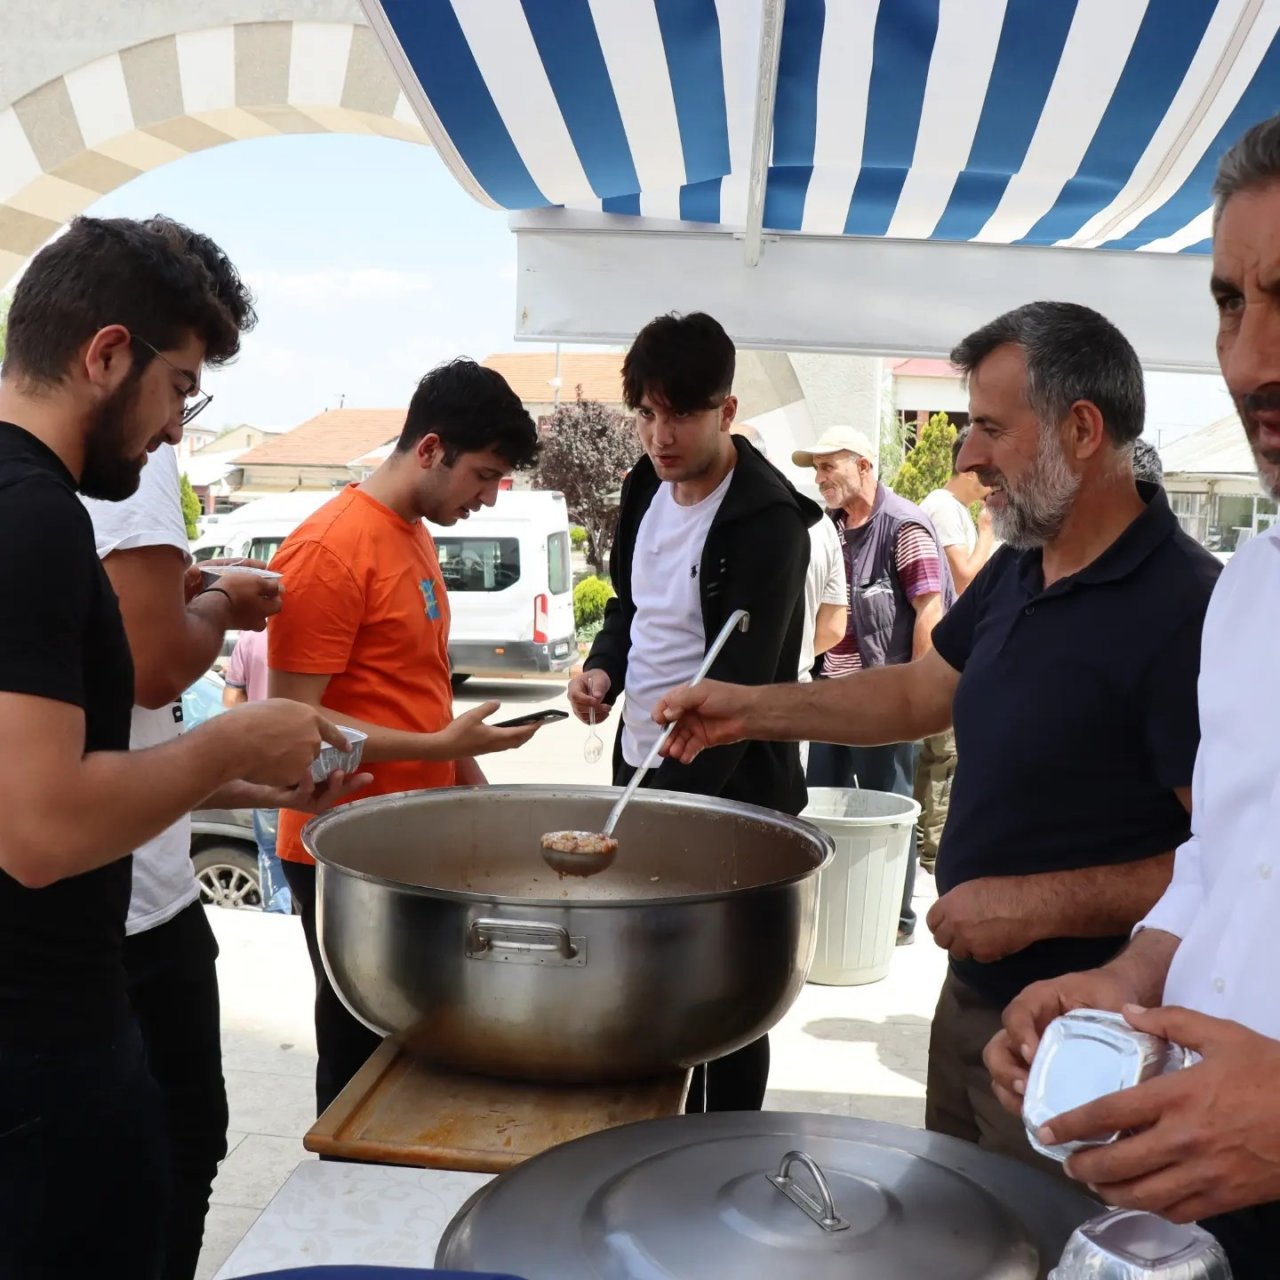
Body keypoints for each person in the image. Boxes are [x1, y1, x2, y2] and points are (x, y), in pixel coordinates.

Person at [654, 300, 1221, 1178]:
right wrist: (751, 708)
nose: (967, 457)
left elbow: (1233, 860)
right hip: (971, 1002)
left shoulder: (1189, 609)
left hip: (1093, 1039)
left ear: (1081, 429)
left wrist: (1038, 906)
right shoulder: (1022, 566)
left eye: (990, 428)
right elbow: (921, 693)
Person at [0, 215, 355, 1279]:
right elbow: (41, 827)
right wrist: (234, 738)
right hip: (43, 1050)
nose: (173, 429)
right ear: (107, 353)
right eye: (179, 388)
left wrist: (241, 763)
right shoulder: (35, 518)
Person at [981, 114, 1280, 1280]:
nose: (1251, 360)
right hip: (1208, 1204)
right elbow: (1223, 851)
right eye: (1226, 303)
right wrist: (1123, 976)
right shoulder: (1252, 587)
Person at [268, 358, 551, 1116]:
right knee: (362, 1061)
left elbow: (419, 691)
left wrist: (477, 798)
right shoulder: (329, 549)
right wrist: (440, 751)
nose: (488, 498)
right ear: (430, 449)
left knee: (425, 1051)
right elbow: (293, 729)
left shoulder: (415, 532)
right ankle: (343, 1199)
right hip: (343, 849)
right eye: (484, 476)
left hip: (416, 840)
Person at [568, 311, 820, 1113]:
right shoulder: (644, 485)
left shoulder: (770, 523)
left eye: (681, 413)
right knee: (644, 976)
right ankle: (646, 1138)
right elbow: (630, 609)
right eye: (646, 413)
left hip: (733, 786)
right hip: (638, 770)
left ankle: (726, 1152)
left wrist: (672, 810)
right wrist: (603, 672)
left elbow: (746, 687)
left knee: (729, 993)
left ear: (728, 411)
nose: (660, 435)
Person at [797, 425, 954, 944]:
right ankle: (834, 913)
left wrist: (918, 699)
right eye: (815, 469)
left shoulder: (904, 526)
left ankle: (893, 920)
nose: (820, 479)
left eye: (829, 466)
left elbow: (931, 612)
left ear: (864, 465)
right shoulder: (830, 528)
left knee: (889, 812)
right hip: (831, 699)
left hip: (885, 704)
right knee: (821, 806)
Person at [914, 432, 996, 874]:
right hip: (947, 653)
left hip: (949, 651)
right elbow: (966, 579)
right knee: (944, 757)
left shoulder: (947, 508)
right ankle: (931, 850)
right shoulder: (944, 509)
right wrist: (986, 531)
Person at [224, 627, 292, 914]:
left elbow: (230, 698)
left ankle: (279, 914)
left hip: (266, 764)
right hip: (314, 758)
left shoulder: (251, 638)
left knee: (271, 852)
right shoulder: (319, 632)